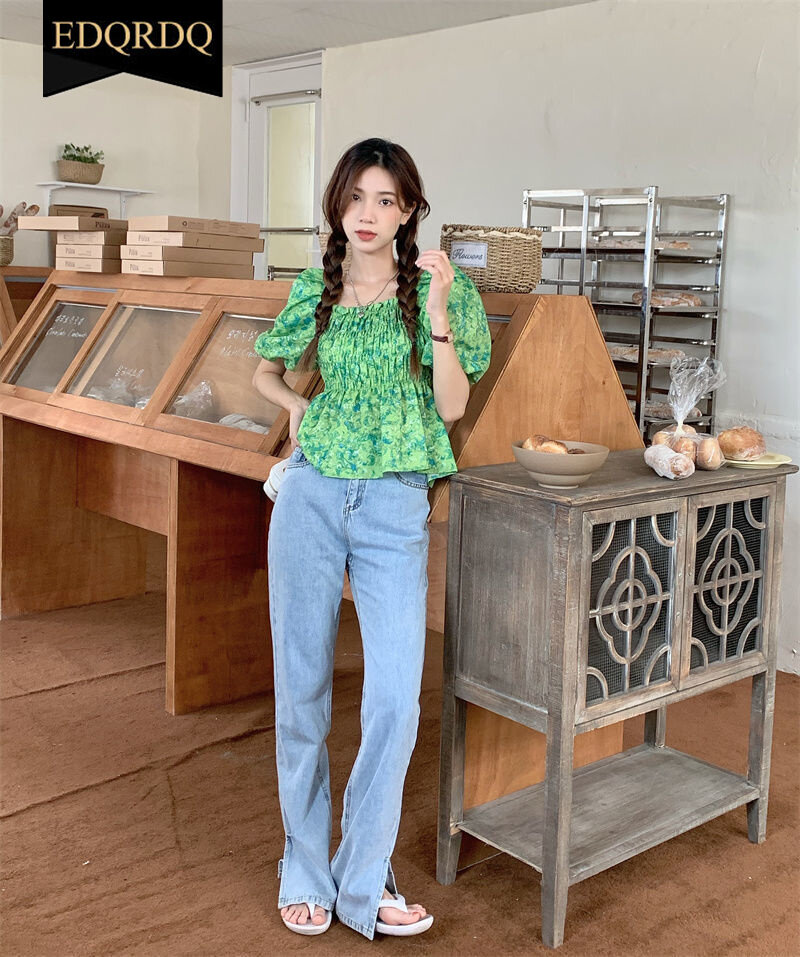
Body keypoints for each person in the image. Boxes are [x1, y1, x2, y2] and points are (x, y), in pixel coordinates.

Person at [251, 137, 491, 940]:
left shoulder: (438, 290)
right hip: (312, 493)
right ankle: (303, 862)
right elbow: (264, 369)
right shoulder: (314, 287)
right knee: (302, 689)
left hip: (394, 500)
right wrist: (295, 405)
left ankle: (363, 869)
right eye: (356, 196)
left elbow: (452, 407)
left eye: (386, 200)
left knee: (392, 697)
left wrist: (439, 316)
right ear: (337, 203)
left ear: (409, 210)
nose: (367, 213)